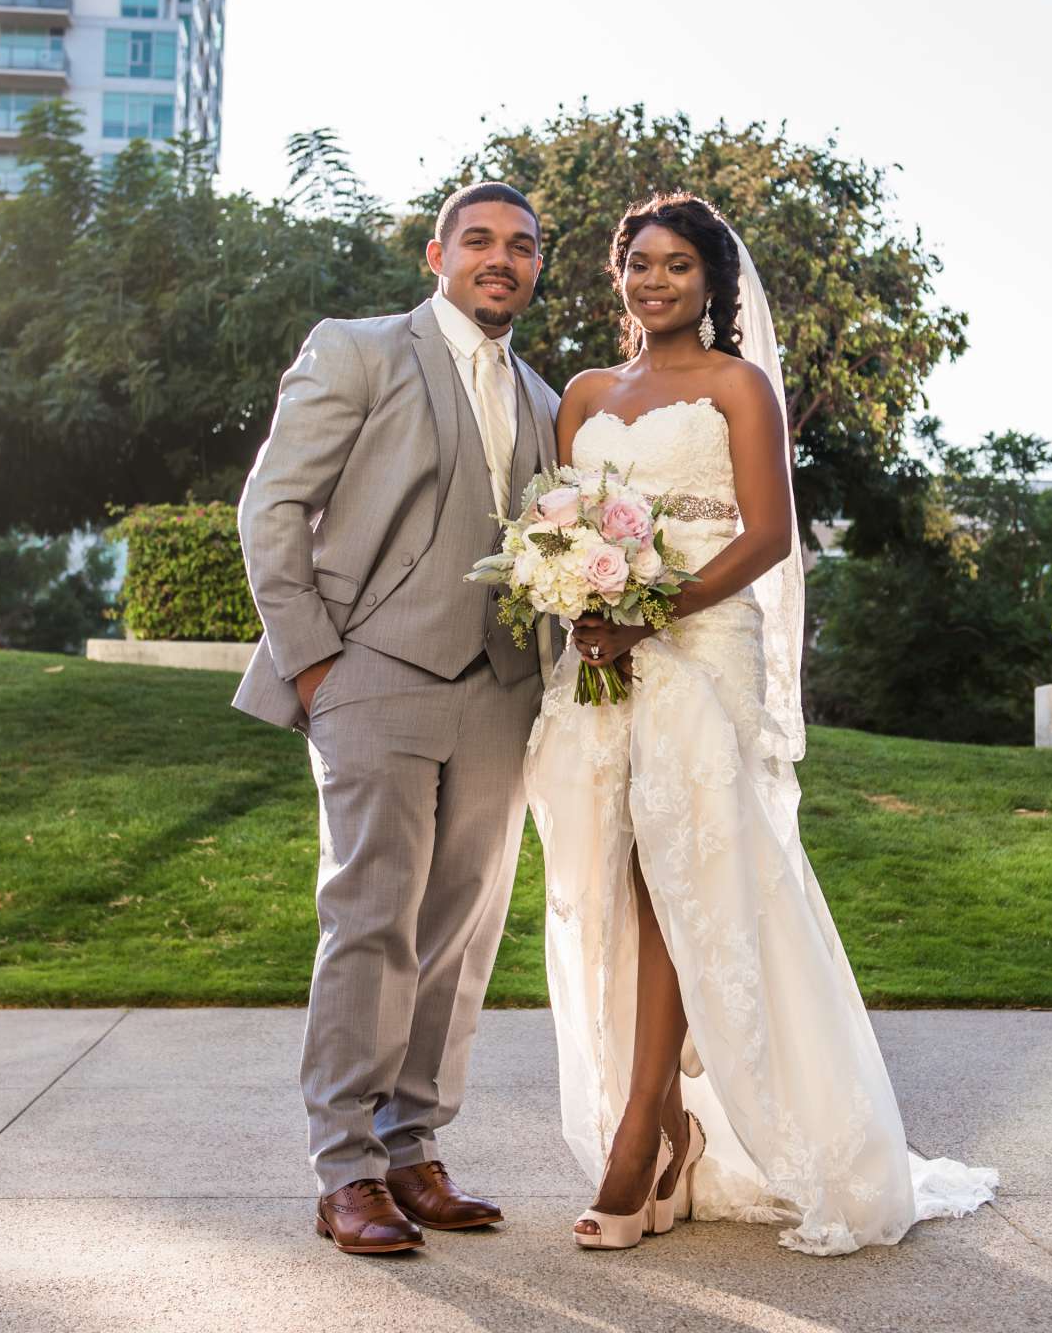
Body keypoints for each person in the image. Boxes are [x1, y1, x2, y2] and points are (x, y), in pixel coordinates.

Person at [524, 193, 999, 1254]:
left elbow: (770, 535)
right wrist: (584, 606)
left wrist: (650, 610)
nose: (656, 282)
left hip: (701, 647)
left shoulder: (740, 385)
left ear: (712, 283)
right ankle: (669, 1131)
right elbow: (564, 523)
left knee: (690, 876)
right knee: (616, 881)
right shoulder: (586, 395)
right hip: (604, 653)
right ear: (619, 276)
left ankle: (644, 1137)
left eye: (678, 266)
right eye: (639, 263)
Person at [234, 182, 561, 1255]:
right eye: (479, 240)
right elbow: (272, 505)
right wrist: (314, 660)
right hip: (372, 670)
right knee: (370, 920)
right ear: (437, 253)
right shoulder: (359, 349)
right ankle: (345, 1169)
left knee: (462, 931)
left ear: (536, 268)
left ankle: (413, 1147)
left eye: (520, 245)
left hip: (503, 690)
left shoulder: (551, 399)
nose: (498, 259)